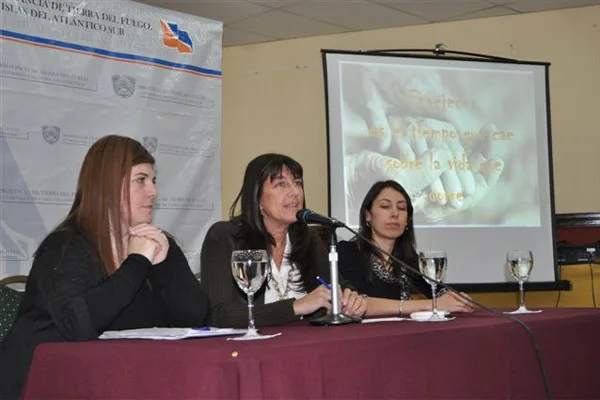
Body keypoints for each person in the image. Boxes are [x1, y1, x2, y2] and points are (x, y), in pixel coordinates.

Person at [0, 135, 210, 400]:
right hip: (46, 385)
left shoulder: (155, 242)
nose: (153, 192)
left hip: (124, 381)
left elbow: (197, 319)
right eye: (140, 180)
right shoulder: (65, 247)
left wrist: (164, 265)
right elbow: (77, 325)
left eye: (153, 181)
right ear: (108, 186)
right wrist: (137, 262)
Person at [200, 153, 367, 328]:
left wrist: (352, 299)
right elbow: (219, 315)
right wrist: (296, 306)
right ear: (257, 198)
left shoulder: (307, 238)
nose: (295, 192)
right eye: (281, 184)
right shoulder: (224, 236)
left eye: (298, 183)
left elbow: (340, 287)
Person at [338, 180, 473, 317]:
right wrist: (431, 305)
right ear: (368, 215)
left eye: (402, 208)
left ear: (407, 220)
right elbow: (357, 303)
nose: (395, 214)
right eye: (385, 206)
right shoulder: (347, 251)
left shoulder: (407, 258)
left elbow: (439, 292)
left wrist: (456, 299)